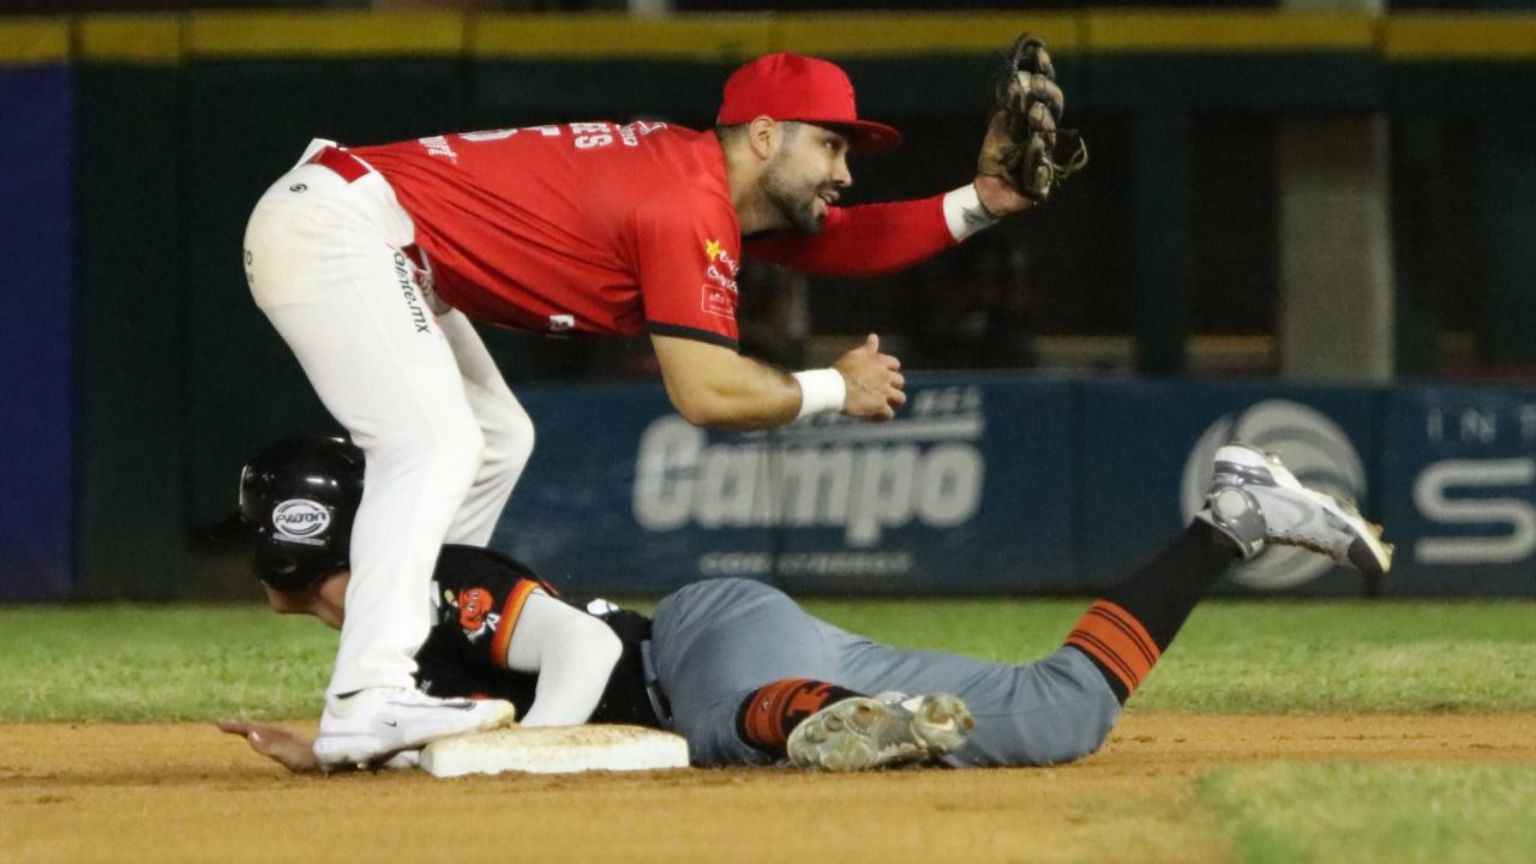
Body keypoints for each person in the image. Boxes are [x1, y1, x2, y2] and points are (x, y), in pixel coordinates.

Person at [239, 41, 1075, 769]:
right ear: (764, 135)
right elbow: (706, 393)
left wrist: (981, 203)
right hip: (345, 227)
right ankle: (368, 697)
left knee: (497, 438)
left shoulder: (691, 181)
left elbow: (843, 239)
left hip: (369, 230)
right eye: (830, 145)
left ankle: (425, 668)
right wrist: (834, 388)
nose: (844, 172)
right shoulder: (684, 202)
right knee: (435, 445)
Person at [221, 437, 1392, 774]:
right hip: (736, 660)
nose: (293, 602)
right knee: (1060, 715)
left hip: (701, 646)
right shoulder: (392, 629)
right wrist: (341, 757)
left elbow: (577, 648)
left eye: (292, 575)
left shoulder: (438, 582)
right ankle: (1234, 520)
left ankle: (823, 719)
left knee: (734, 724)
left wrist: (535, 755)